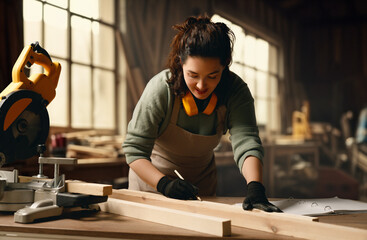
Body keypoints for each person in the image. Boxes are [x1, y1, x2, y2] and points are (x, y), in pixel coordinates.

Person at [122, 15, 281, 212]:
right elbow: (134, 150)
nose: (201, 85)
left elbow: (246, 141)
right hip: (152, 183)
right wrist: (164, 184)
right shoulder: (161, 89)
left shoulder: (236, 91)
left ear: (225, 65)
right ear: (181, 63)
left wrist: (255, 186)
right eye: (193, 75)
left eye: (213, 76)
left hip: (201, 185)